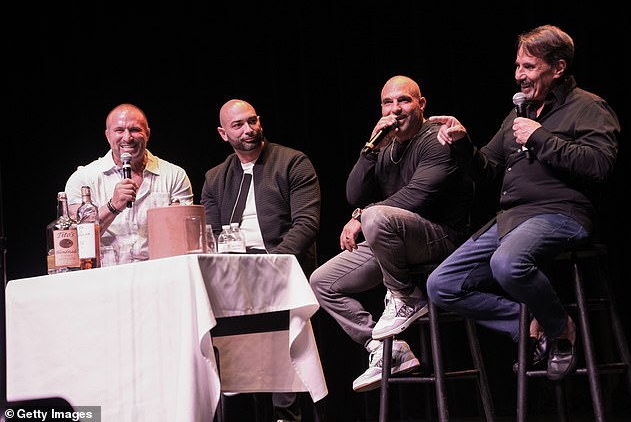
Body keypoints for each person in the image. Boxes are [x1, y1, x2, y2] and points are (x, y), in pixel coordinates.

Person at [426, 25, 620, 381]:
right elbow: (486, 171)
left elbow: (599, 165)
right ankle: (533, 325)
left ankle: (560, 329)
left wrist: (541, 137)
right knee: (442, 285)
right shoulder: (518, 113)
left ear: (557, 68)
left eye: (529, 67)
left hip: (562, 213)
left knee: (507, 263)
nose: (519, 76)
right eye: (518, 66)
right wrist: (462, 143)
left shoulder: (589, 107)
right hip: (511, 219)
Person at [309, 75, 474, 392]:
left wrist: (363, 216)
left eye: (404, 100)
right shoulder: (385, 147)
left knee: (375, 215)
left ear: (421, 104)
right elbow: (353, 194)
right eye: (388, 102)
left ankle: (405, 295)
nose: (396, 109)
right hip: (394, 240)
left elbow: (418, 196)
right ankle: (386, 350)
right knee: (322, 282)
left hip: (441, 238)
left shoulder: (437, 140)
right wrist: (370, 149)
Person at [200, 99, 321, 422]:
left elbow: (307, 223)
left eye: (252, 121)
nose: (248, 130)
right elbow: (209, 235)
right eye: (238, 125)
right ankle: (228, 406)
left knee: (279, 316)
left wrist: (273, 263)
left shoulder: (293, 162)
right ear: (223, 134)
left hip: (283, 268)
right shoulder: (215, 178)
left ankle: (286, 413)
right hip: (234, 274)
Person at [65, 103, 194, 261]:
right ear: (108, 135)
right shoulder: (83, 178)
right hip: (106, 275)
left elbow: (187, 236)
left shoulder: (174, 175)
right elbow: (75, 242)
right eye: (119, 130)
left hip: (159, 271)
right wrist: (113, 206)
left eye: (134, 130)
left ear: (147, 133)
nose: (127, 137)